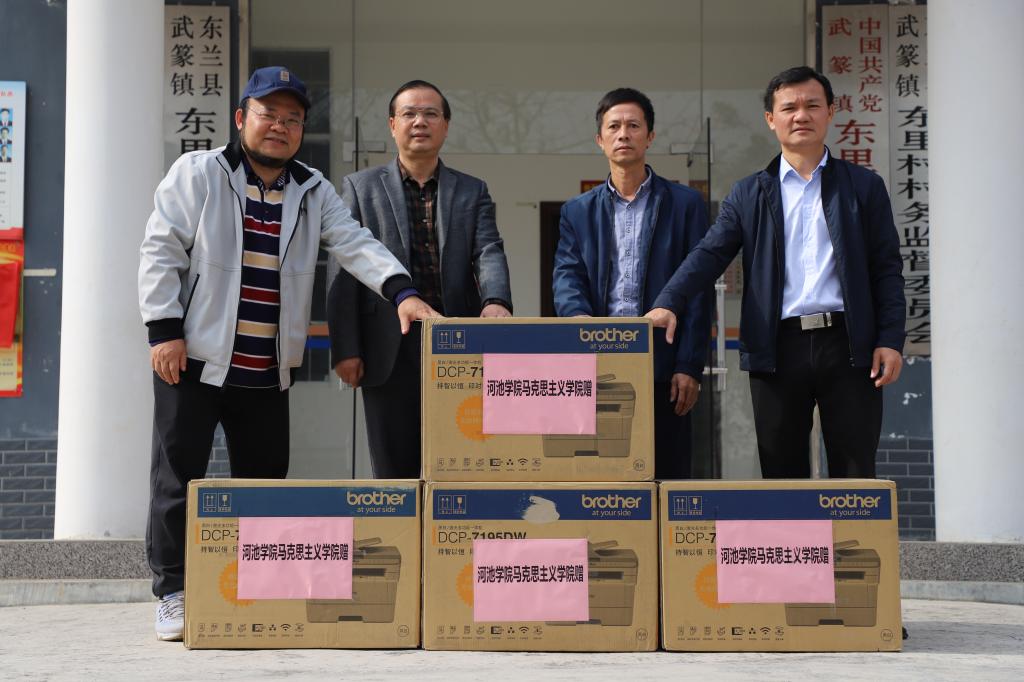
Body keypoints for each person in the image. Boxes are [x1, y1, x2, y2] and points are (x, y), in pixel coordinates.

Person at [138, 67, 438, 641]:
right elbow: (161, 248)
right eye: (268, 114)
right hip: (193, 361)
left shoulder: (312, 189)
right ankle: (172, 591)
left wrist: (402, 291)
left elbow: (354, 242)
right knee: (178, 480)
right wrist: (163, 329)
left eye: (293, 119)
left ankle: (256, 584)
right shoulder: (200, 172)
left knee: (263, 484)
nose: (280, 126)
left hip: (267, 368)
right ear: (241, 118)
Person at [645, 66, 905, 480]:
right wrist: (669, 301)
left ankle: (850, 527)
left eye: (812, 105)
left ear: (830, 112)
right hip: (777, 348)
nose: (801, 115)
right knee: (782, 478)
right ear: (771, 119)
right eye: (789, 108)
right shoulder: (749, 193)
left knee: (854, 475)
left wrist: (890, 339)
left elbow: (886, 268)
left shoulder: (863, 187)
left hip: (849, 346)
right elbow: (710, 253)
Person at [326, 79, 512, 478]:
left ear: (446, 125)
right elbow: (344, 268)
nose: (420, 122)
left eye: (430, 114)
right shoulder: (361, 188)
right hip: (388, 346)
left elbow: (488, 250)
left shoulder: (471, 190)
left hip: (457, 342)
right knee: (395, 470)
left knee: (461, 462)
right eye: (409, 113)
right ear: (392, 125)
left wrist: (495, 300)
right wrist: (345, 347)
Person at [552, 88, 711, 479]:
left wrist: (690, 365)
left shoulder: (685, 204)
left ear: (650, 136)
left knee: (667, 477)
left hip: (663, 364)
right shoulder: (577, 211)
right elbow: (567, 274)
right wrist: (577, 322)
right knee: (600, 477)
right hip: (599, 363)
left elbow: (698, 287)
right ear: (600, 139)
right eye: (614, 127)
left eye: (633, 126)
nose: (623, 134)